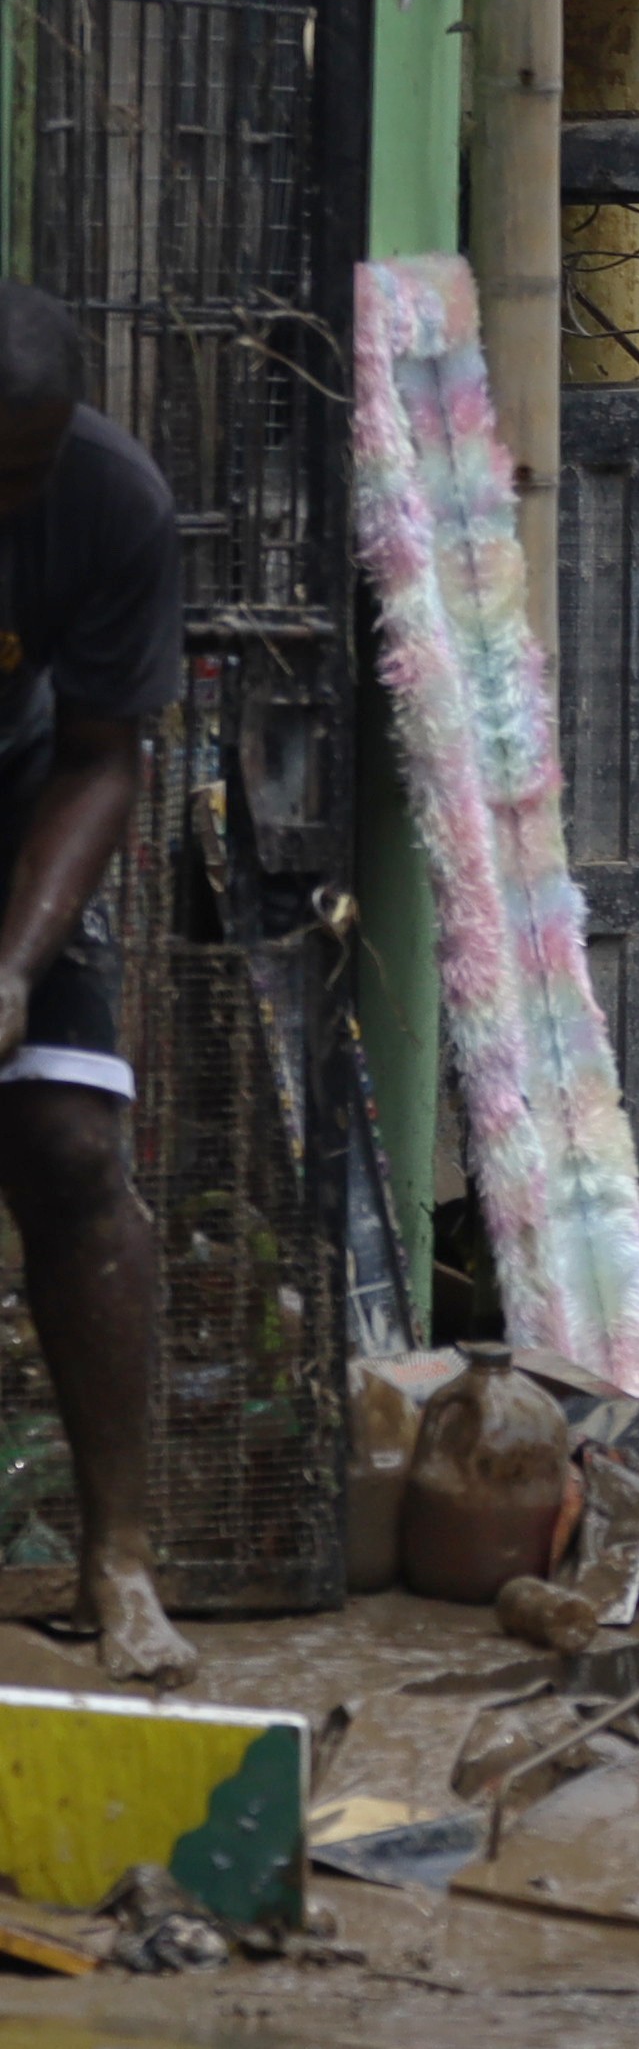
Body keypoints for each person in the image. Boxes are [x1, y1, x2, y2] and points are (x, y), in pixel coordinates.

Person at [0, 283, 191, 1681]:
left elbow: (102, 754)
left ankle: (118, 1553)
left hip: (24, 799)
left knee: (68, 1143)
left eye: (35, 458)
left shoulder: (115, 501)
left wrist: (14, 966)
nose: (15, 489)